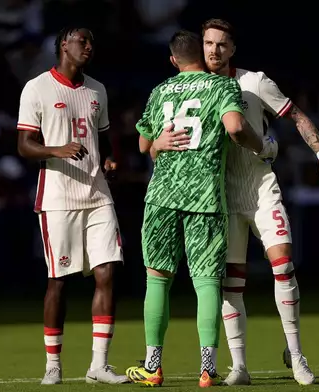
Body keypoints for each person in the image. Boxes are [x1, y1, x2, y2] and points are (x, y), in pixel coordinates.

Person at [125, 30, 277, 388]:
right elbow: (236, 128)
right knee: (207, 281)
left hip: (162, 195)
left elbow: (144, 143)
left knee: (157, 279)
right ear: (201, 54)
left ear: (173, 59)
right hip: (205, 197)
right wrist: (263, 146)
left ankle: (153, 365)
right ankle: (208, 367)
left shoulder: (160, 90)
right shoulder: (221, 87)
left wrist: (157, 143)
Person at [201, 18, 319, 386]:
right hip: (221, 195)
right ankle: (239, 367)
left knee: (282, 261)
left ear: (233, 49)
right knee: (231, 282)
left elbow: (294, 116)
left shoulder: (254, 82)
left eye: (222, 44)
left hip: (260, 187)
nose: (214, 50)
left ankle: (296, 355)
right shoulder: (193, 88)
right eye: (209, 43)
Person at [16, 26, 127, 385]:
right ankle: (53, 364)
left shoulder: (98, 89)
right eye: (83, 41)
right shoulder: (37, 88)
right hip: (58, 198)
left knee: (107, 272)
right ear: (64, 45)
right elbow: (24, 145)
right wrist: (55, 149)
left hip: (97, 196)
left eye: (92, 42)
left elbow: (106, 139)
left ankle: (99, 365)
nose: (89, 47)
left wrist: (110, 160)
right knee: (59, 282)